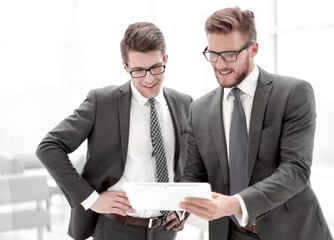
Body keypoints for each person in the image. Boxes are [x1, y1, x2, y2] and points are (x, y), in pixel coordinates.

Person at [179, 7, 333, 240]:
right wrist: (176, 203)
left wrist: (236, 204)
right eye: (213, 54)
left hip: (291, 231)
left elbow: (295, 170)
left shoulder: (292, 93)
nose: (220, 65)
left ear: (253, 49)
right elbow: (194, 174)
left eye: (230, 54)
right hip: (230, 233)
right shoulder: (199, 109)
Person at [36, 22, 192, 240]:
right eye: (138, 70)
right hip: (116, 229)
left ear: (166, 60)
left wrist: (184, 206)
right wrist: (91, 199)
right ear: (125, 67)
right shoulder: (103, 103)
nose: (149, 78)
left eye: (156, 68)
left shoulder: (184, 103)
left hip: (166, 231)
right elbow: (49, 147)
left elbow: (193, 163)